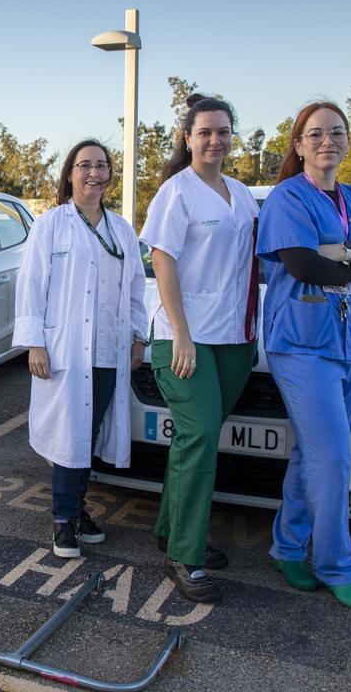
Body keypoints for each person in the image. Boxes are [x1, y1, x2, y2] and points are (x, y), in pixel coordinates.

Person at [257, 101, 351, 613]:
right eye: (316, 133)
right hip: (302, 344)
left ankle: (287, 547)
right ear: (299, 145)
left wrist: (344, 253)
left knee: (313, 454)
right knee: (335, 456)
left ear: (347, 141)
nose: (327, 141)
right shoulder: (287, 198)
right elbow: (303, 266)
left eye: (337, 132)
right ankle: (338, 566)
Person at [140, 94, 260, 604]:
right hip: (184, 339)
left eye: (223, 132)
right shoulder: (176, 192)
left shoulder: (243, 195)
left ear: (233, 137)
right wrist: (182, 334)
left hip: (234, 337)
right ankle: (184, 556)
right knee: (203, 433)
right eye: (205, 132)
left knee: (195, 440)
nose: (215, 140)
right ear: (188, 138)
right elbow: (162, 261)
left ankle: (171, 529)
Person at [14, 140, 148, 558]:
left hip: (108, 349)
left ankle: (75, 507)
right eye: (84, 165)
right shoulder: (50, 225)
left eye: (101, 165)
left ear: (109, 174)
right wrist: (35, 343)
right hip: (65, 349)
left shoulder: (121, 230)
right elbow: (30, 284)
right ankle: (63, 518)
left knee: (86, 434)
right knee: (68, 432)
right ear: (70, 173)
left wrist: (139, 337)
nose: (94, 172)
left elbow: (136, 288)